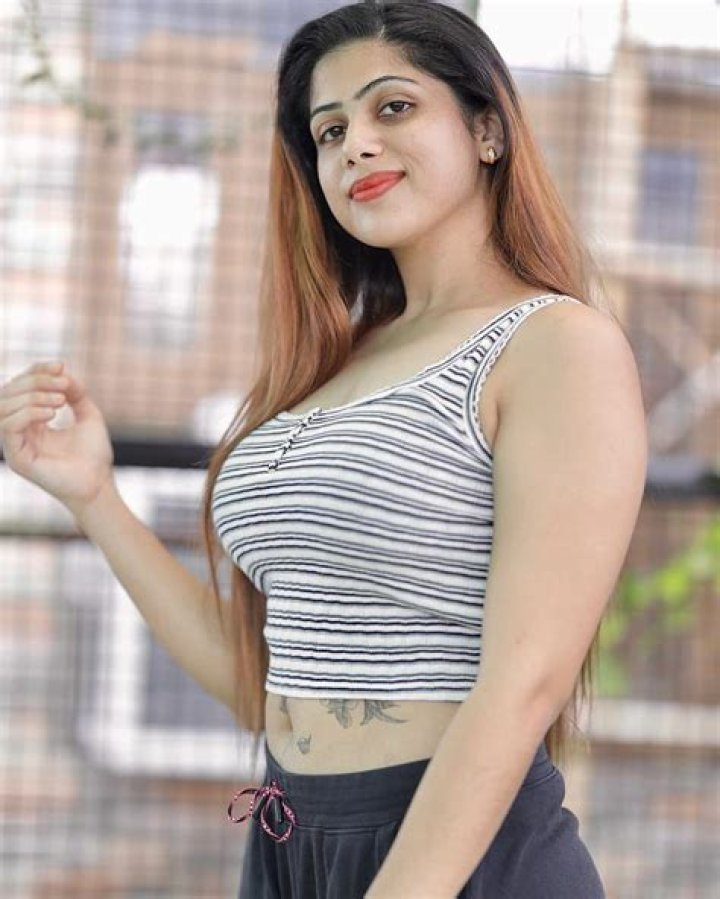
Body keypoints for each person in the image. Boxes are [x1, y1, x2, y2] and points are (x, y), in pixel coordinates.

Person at [0, 1, 648, 896]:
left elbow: (526, 681)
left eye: (394, 107)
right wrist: (94, 496)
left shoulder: (554, 344)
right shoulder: (338, 359)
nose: (355, 147)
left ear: (487, 130)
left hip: (457, 853)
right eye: (330, 130)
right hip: (291, 836)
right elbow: (264, 686)